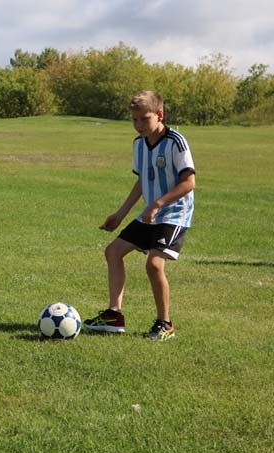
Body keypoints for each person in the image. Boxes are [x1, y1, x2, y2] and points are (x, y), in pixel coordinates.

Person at [83, 91, 196, 341]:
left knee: (154, 264)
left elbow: (189, 182)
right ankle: (114, 315)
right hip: (150, 214)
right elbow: (142, 181)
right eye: (134, 120)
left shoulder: (176, 142)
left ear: (159, 114)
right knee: (113, 252)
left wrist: (157, 203)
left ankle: (165, 324)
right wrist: (120, 214)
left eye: (144, 119)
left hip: (175, 214)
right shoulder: (139, 144)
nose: (138, 125)